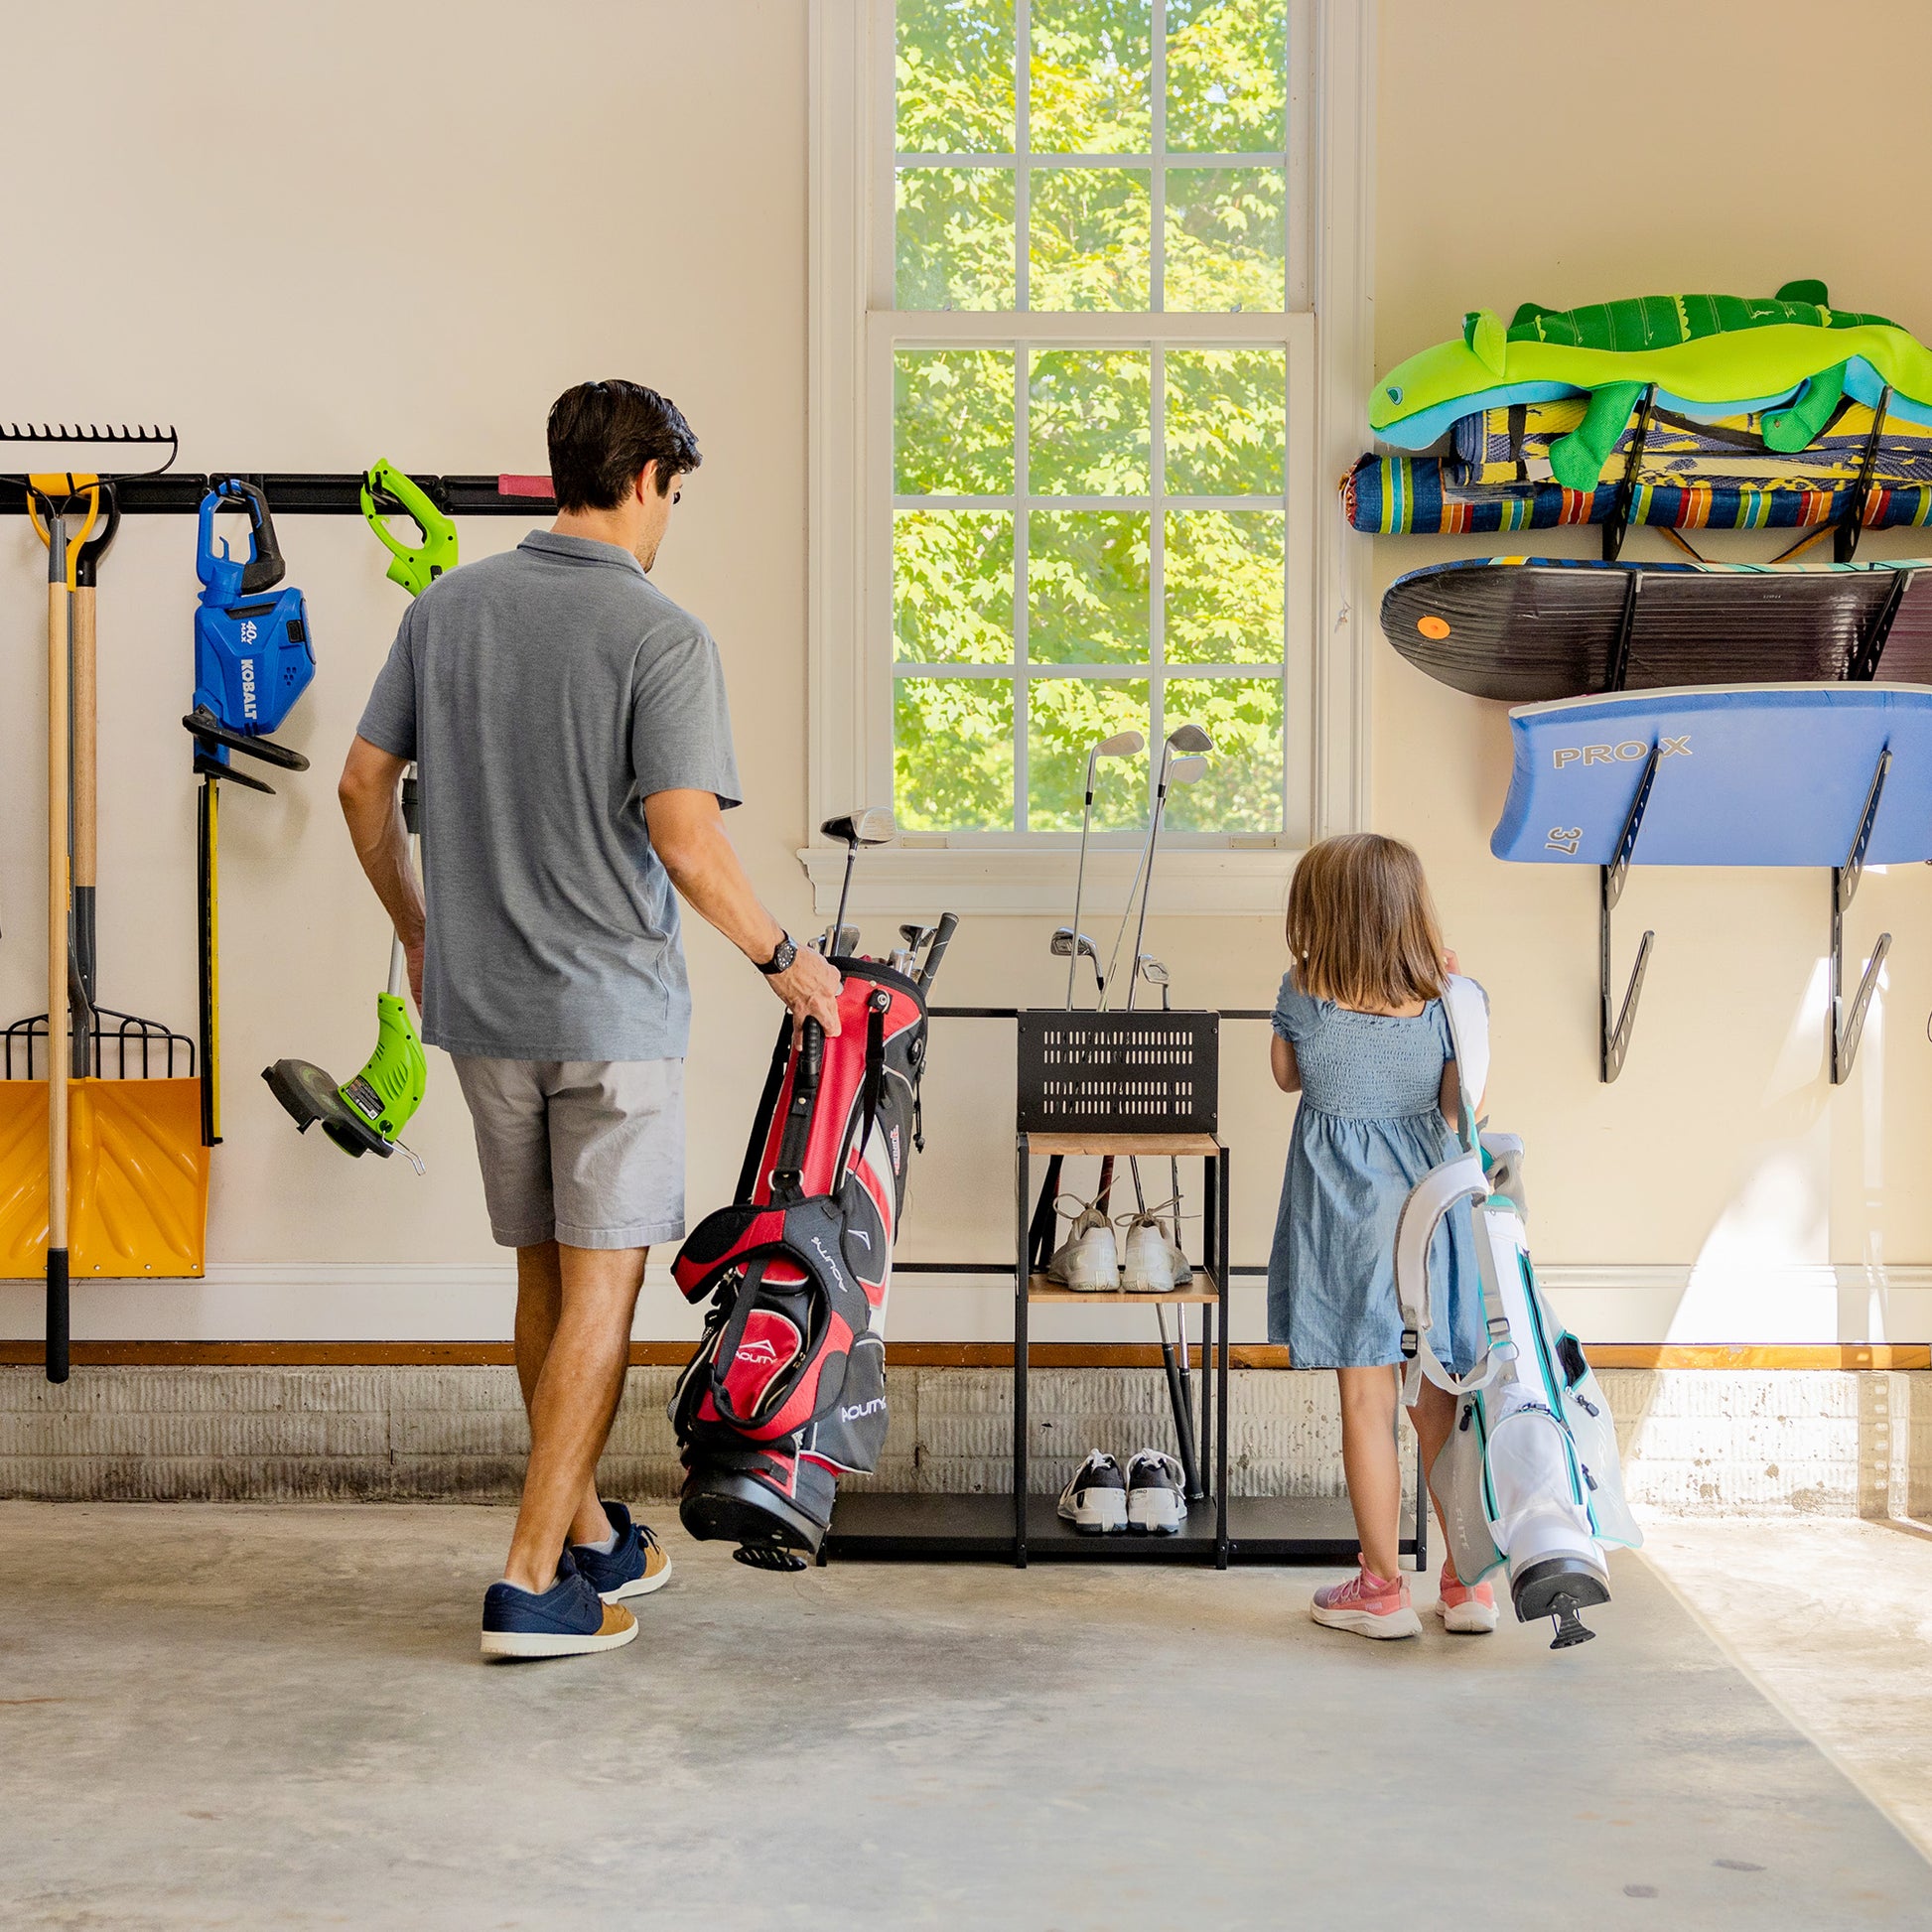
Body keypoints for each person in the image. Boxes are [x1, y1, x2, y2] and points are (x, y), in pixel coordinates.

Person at [340, 379, 843, 1660]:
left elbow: (360, 785)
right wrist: (782, 954)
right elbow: (685, 837)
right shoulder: (658, 632)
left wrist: (415, 921)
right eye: (676, 487)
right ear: (651, 476)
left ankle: (581, 1531)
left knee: (544, 1274)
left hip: (481, 1006)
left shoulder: (444, 609)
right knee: (603, 1287)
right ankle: (527, 1577)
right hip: (608, 1016)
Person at [1266, 833, 1497, 1640]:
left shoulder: (1303, 993)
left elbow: (1287, 1076)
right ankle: (1468, 1584)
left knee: (1365, 1401)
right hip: (1431, 1212)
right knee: (1440, 1399)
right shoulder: (1450, 998)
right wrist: (1453, 985)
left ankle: (1382, 1589)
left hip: (1345, 1217)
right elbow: (1449, 1104)